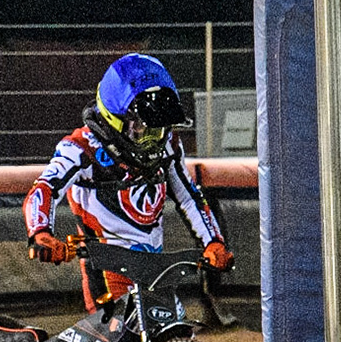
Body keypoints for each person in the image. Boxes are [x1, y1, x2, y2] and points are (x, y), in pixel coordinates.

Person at [23, 53, 234, 311]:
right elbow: (44, 188)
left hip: (155, 270)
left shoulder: (168, 145)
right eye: (142, 130)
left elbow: (190, 196)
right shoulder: (81, 147)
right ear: (116, 119)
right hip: (108, 272)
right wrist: (41, 233)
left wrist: (214, 242)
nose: (152, 140)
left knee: (176, 330)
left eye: (158, 129)